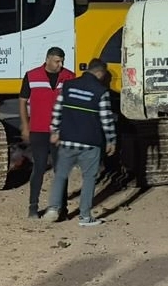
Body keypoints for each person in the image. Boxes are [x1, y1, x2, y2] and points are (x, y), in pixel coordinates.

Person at [40, 58, 117, 227]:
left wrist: (54, 130)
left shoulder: (68, 86)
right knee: (89, 178)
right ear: (100, 73)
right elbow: (106, 119)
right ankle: (85, 217)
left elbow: (57, 110)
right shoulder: (101, 91)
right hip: (90, 143)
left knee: (61, 175)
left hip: (68, 140)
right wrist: (111, 140)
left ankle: (53, 209)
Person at [18, 47, 74, 219]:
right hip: (38, 130)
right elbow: (22, 101)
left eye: (62, 61)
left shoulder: (69, 77)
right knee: (39, 167)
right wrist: (25, 125)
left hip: (60, 132)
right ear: (48, 59)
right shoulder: (32, 76)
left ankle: (62, 208)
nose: (60, 65)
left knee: (61, 170)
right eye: (57, 61)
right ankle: (33, 207)